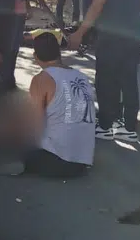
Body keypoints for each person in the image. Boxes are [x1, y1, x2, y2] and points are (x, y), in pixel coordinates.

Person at [67, 0, 140, 142]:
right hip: (134, 32)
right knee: (128, 79)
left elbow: (98, 4)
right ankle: (129, 126)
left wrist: (80, 32)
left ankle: (105, 125)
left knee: (106, 78)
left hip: (111, 33)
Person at [25, 33, 95, 179]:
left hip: (54, 162)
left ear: (35, 56)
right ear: (59, 53)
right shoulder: (82, 77)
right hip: (81, 163)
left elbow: (34, 125)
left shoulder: (41, 79)